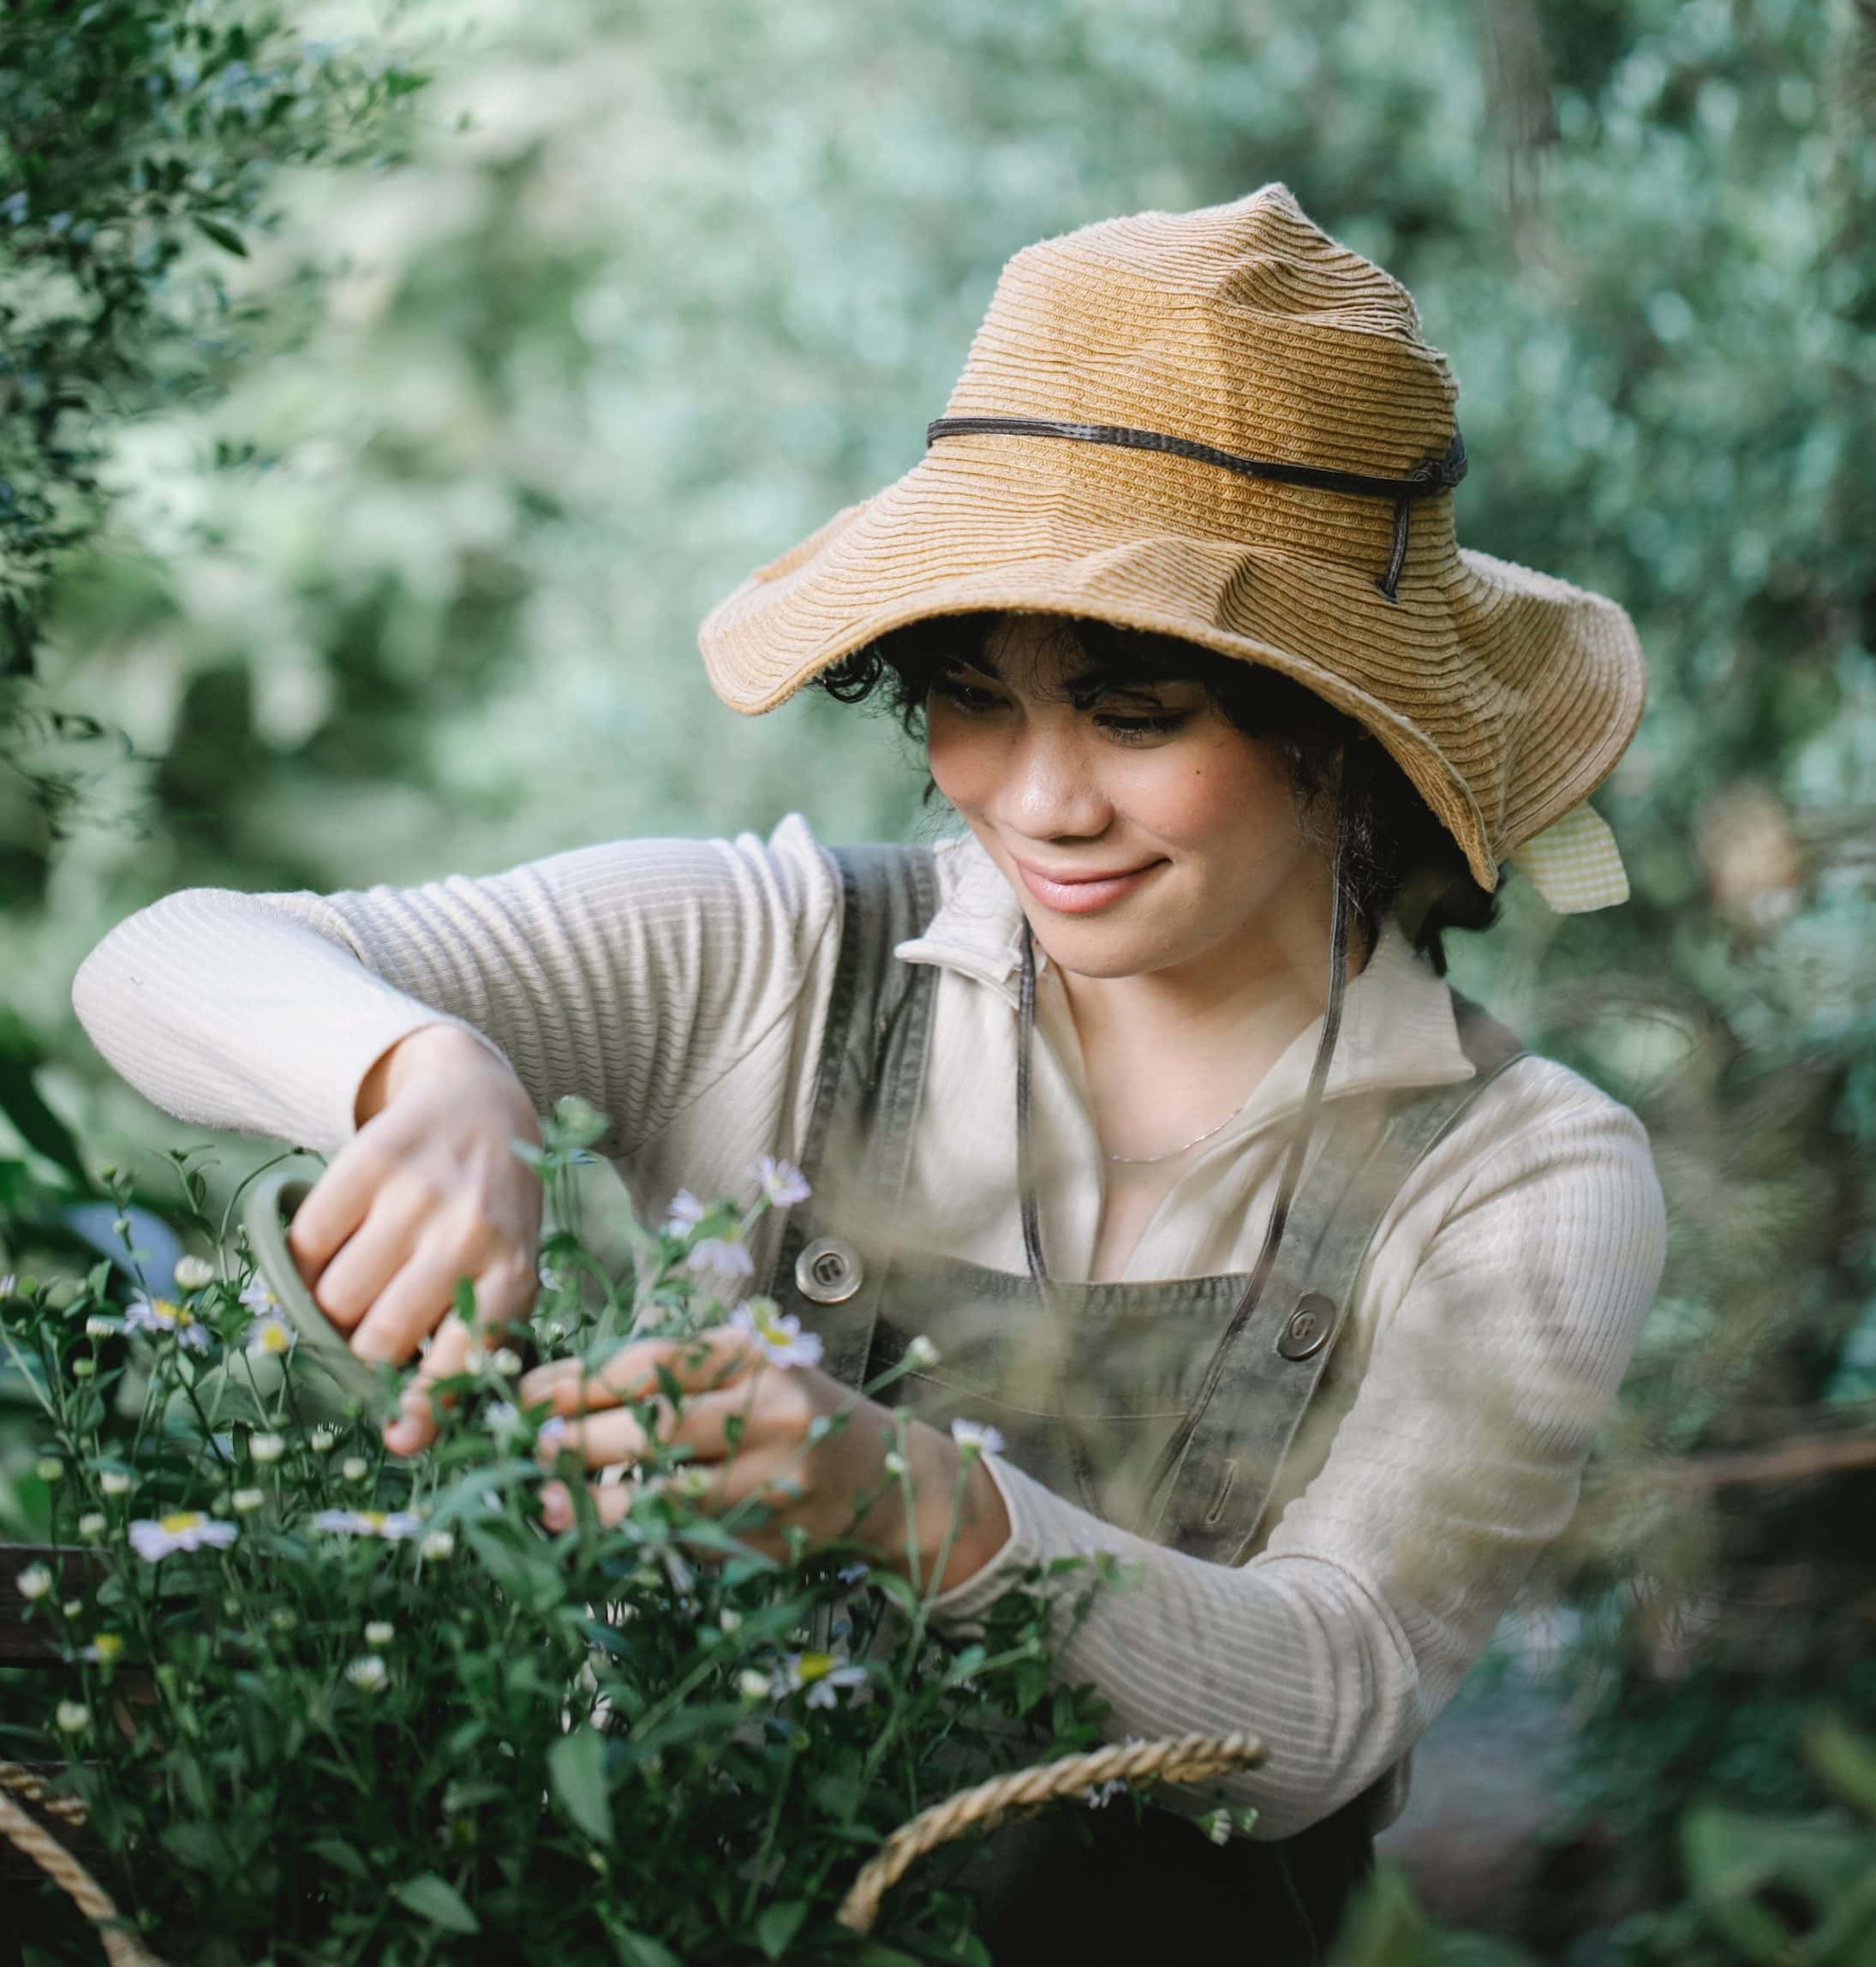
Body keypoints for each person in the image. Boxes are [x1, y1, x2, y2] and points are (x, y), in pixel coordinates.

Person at [73, 185, 1666, 1962]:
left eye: (1138, 714)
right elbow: (155, 957)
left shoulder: (1525, 1173)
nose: (1040, 800)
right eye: (972, 696)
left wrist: (914, 1495)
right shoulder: (772, 952)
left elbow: (1326, 1702)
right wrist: (424, 1069)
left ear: (1343, 724)